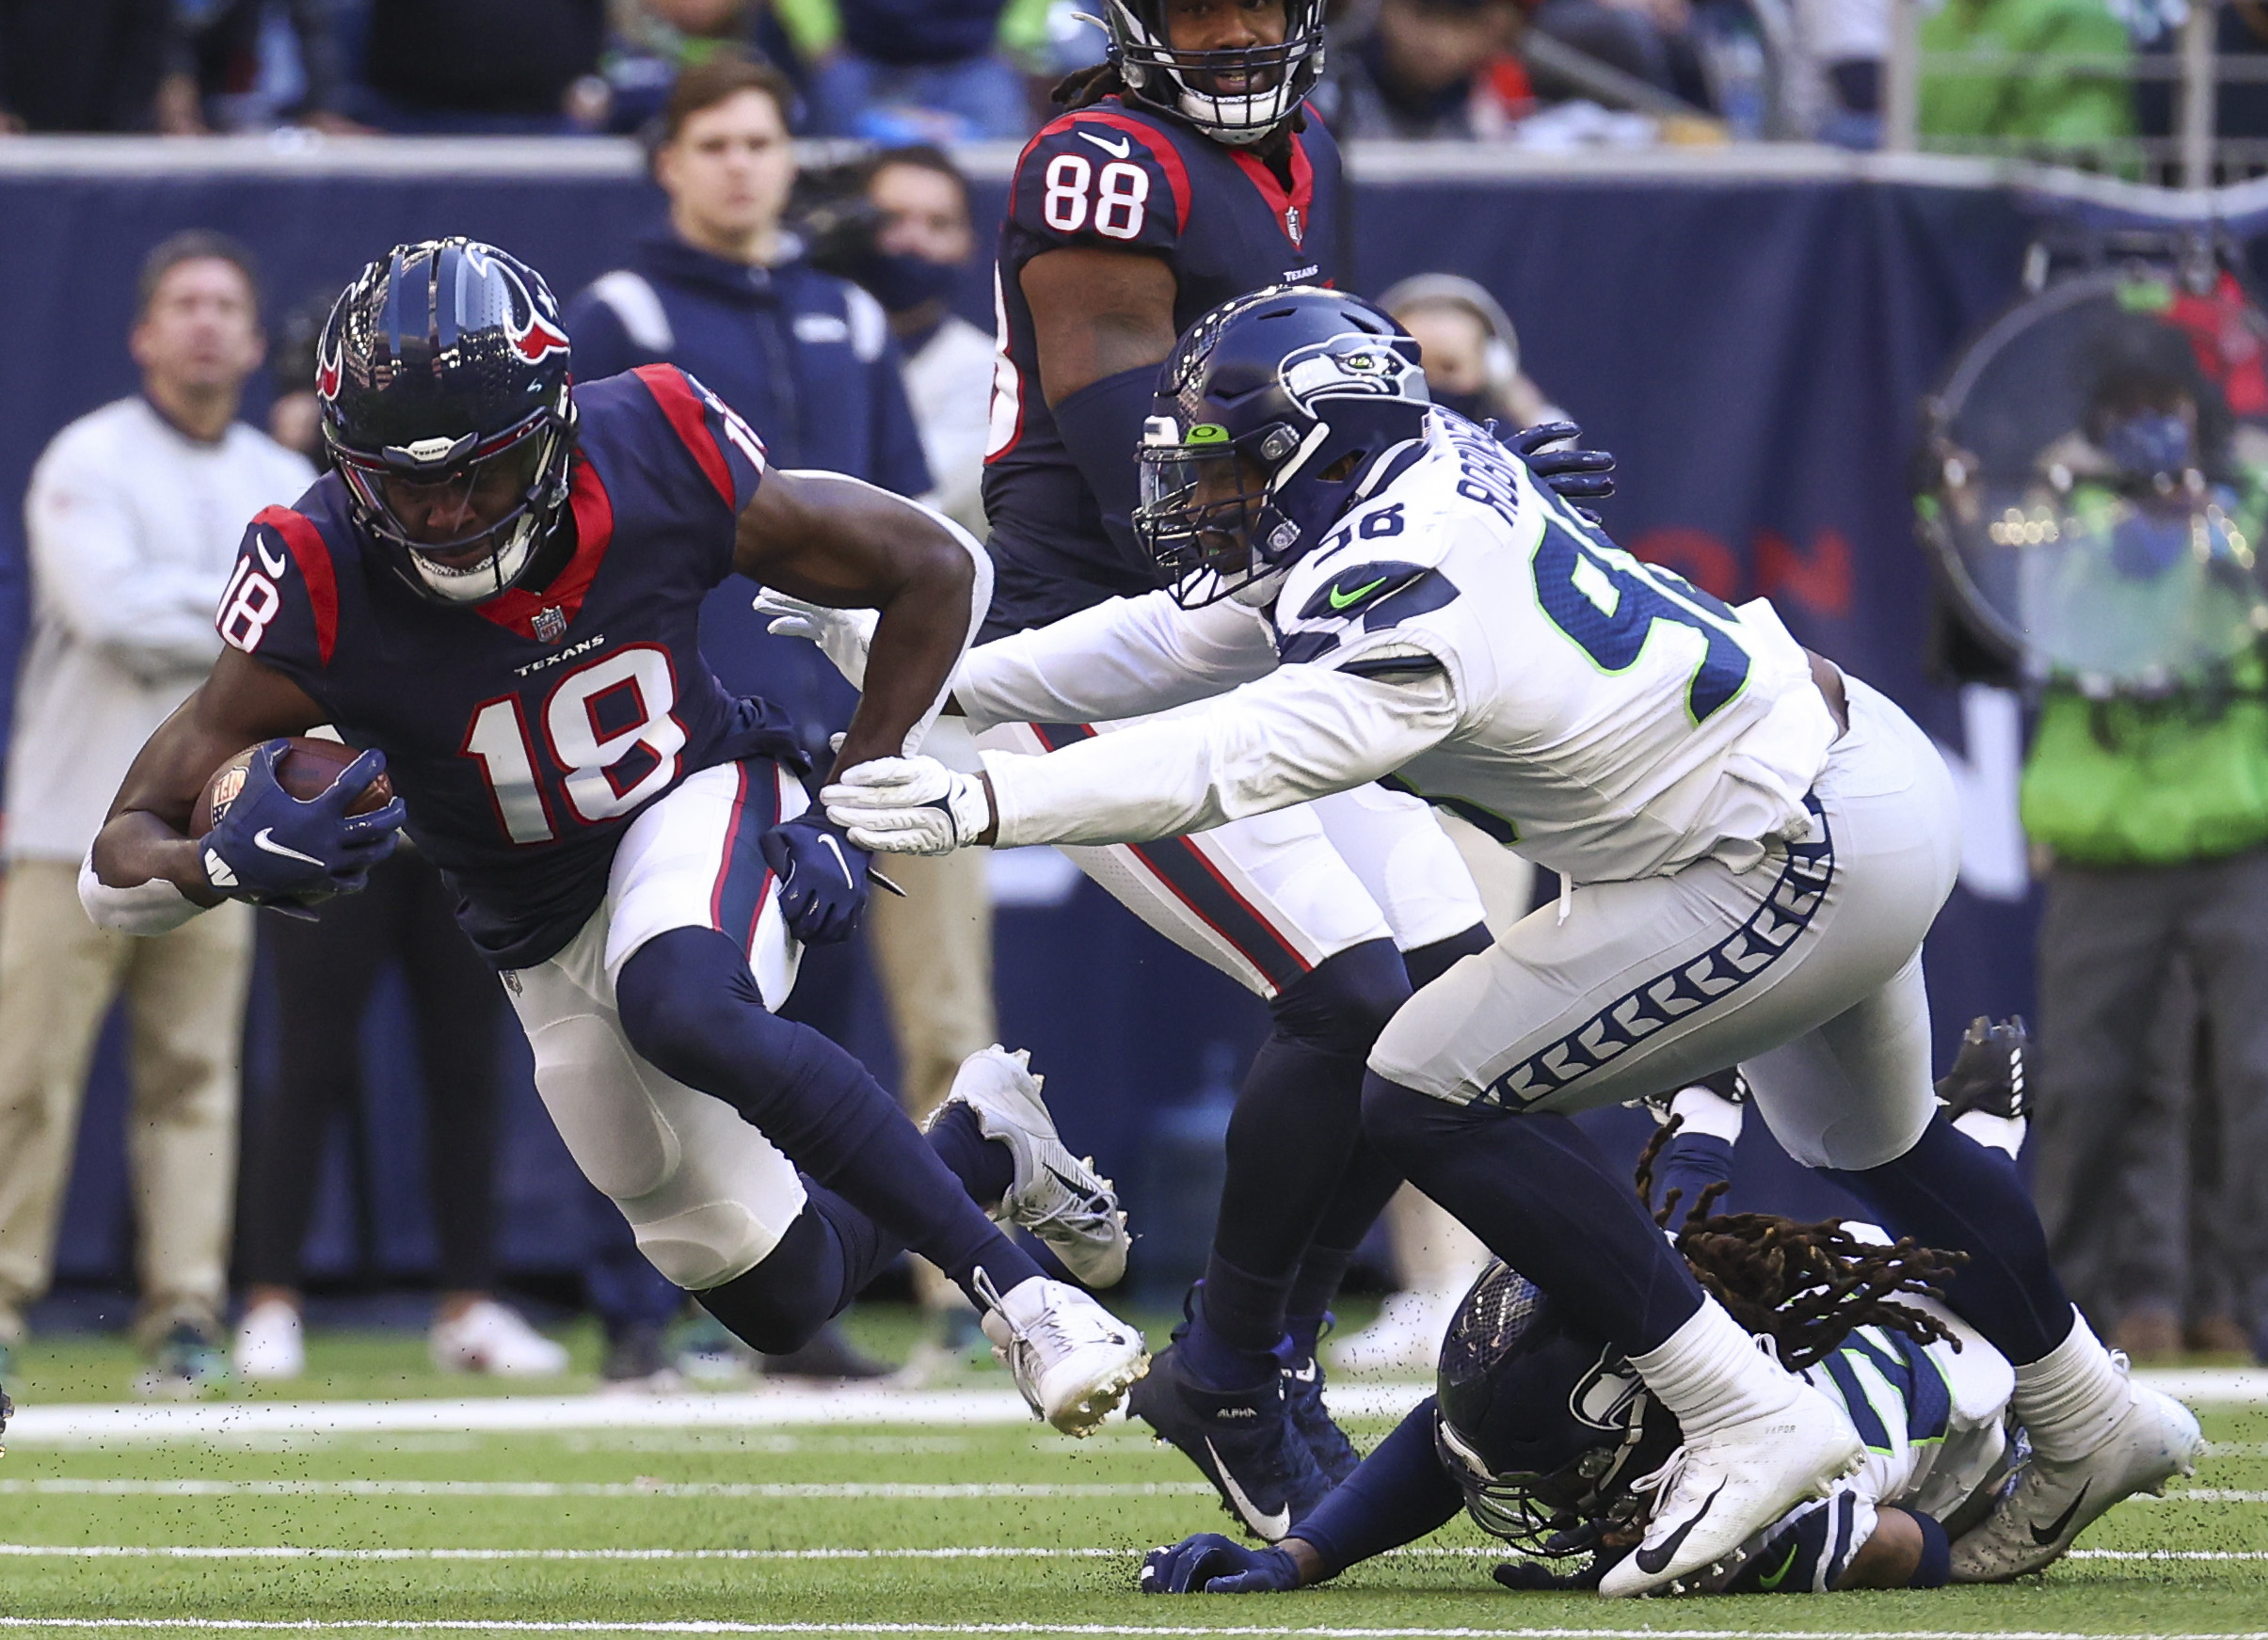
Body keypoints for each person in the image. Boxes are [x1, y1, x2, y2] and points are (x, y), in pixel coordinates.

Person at [811, 285, 2203, 1593]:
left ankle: (1745, 1409)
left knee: (1422, 1079)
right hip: (1847, 775)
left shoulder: (1400, 593)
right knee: (1875, 1139)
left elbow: (1222, 756)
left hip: (1779, 843)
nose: (1202, 496)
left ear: (1315, 450)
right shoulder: (1414, 480)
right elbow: (1166, 651)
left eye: (1231, 463)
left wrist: (985, 796)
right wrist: (927, 673)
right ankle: (2090, 1411)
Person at [80, 237, 1145, 1436]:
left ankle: (1024, 1298)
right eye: (406, 484)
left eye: (478, 476)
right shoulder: (318, 567)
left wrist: (853, 800)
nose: (442, 513)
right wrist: (210, 863)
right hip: (534, 927)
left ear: (550, 426)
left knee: (680, 998)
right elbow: (118, 849)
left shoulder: (651, 442)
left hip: (693, 797)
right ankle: (984, 1147)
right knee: (776, 1293)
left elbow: (934, 566)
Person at [950, 0, 1605, 1537]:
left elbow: (1322, 425)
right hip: (1102, 661)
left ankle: (1258, 1348)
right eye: (1200, 3)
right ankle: (1233, 1363)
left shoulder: (1301, 148)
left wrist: (1463, 464)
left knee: (1445, 1016)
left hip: (1264, 650)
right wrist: (1460, 495)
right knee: (1354, 996)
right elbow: (1164, 496)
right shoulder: (1103, 164)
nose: (1238, 31)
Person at [1142, 1029, 2049, 1598]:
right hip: (1797, 1321)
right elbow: (1445, 1440)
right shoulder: (1652, 1395)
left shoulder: (1774, 1478)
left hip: (1948, 1353)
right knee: (1647, 1256)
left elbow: (1920, 1544)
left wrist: (1747, 1564)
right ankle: (1702, 1116)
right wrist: (1300, 1556)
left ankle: (1981, 1146)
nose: (1510, 1482)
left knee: (1969, 1269)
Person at [565, 53, 934, 1380]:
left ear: (792, 157)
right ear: (667, 161)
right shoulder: (615, 310)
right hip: (657, 731)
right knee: (646, 1010)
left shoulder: (846, 309)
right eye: (711, 143)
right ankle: (634, 1311)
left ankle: (797, 1305)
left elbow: (913, 528)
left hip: (826, 729)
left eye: (760, 142)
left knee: (807, 1016)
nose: (738, 164)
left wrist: (880, 725)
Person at [0, 232, 312, 1394]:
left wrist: (244, 627)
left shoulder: (267, 483)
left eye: (224, 305)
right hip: (63, 825)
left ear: (247, 336)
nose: (203, 323)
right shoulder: (87, 455)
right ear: (142, 333)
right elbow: (113, 615)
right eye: (182, 303)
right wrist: (248, 622)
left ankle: (184, 1313)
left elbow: (298, 640)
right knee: (24, 1078)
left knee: (193, 1078)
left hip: (212, 835)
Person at [2010, 313, 2268, 1367]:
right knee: (2085, 1085)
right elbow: (2011, 608)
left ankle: (2239, 1303)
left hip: (2233, 827)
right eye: (2124, 418)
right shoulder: (2055, 524)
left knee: (2250, 1079)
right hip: (2103, 843)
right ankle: (2076, 1309)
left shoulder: (2245, 512)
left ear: (2197, 418)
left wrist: (2214, 513)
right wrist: (2074, 499)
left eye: (2164, 414)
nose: (2147, 435)